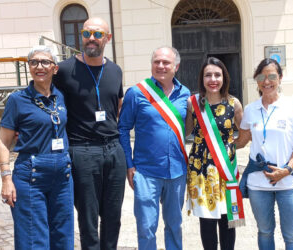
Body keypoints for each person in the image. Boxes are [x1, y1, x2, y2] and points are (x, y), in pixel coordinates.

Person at [53, 17, 127, 250]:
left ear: (108, 38)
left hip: (114, 149)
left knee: (113, 215)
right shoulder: (64, 70)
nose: (91, 38)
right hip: (82, 149)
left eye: (97, 34)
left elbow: (118, 104)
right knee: (88, 217)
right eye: (86, 34)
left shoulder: (115, 70)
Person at [0, 45, 73, 249]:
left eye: (45, 62)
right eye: (34, 62)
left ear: (55, 68)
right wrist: (6, 179)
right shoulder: (17, 100)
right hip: (30, 175)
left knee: (63, 237)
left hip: (63, 177)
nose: (39, 66)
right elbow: (4, 141)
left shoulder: (61, 97)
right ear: (29, 67)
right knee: (33, 239)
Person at [118, 46, 190, 250]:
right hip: (146, 172)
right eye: (156, 62)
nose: (160, 66)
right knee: (146, 227)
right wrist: (129, 165)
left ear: (176, 66)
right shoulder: (136, 92)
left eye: (166, 62)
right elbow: (123, 129)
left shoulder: (185, 94)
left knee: (175, 226)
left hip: (177, 172)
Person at [236, 58, 293, 250]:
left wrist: (286, 169)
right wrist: (212, 142)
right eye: (261, 76)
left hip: (288, 180)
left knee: (292, 235)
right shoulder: (250, 109)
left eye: (272, 76)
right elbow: (242, 141)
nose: (266, 81)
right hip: (258, 183)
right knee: (264, 232)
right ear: (257, 80)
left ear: (280, 78)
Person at [185, 57, 244, 250]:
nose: (213, 79)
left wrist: (230, 148)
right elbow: (185, 132)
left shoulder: (234, 104)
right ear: (201, 79)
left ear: (224, 78)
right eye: (208, 75)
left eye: (217, 75)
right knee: (207, 222)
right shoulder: (192, 103)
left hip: (225, 170)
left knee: (228, 220)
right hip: (201, 171)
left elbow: (244, 135)